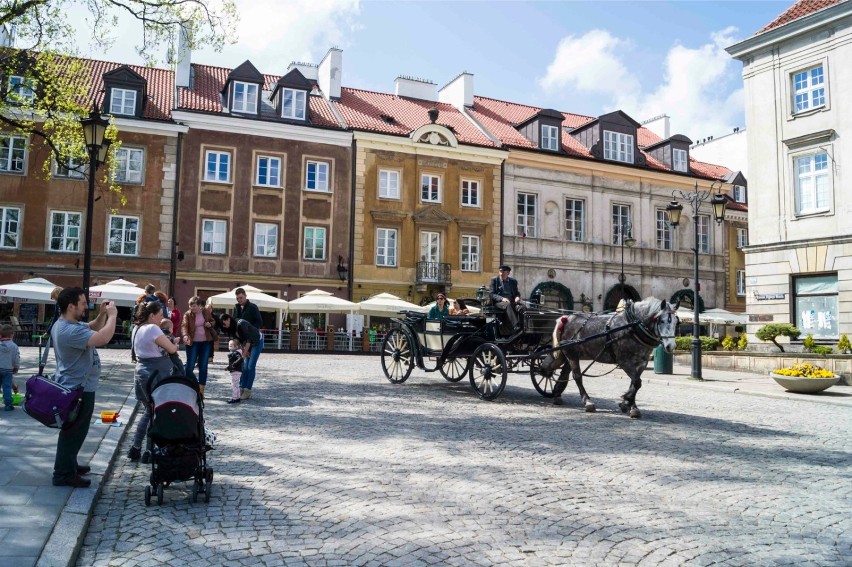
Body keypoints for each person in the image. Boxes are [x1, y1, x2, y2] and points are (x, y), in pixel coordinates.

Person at [51, 288, 117, 488]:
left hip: (78, 387)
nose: (85, 306)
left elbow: (92, 326)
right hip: (77, 390)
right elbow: (103, 338)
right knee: (74, 431)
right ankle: (62, 474)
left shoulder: (66, 324)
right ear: (71, 307)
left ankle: (68, 463)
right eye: (82, 303)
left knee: (75, 430)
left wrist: (102, 314)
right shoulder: (69, 331)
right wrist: (113, 316)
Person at [128, 301, 180, 464]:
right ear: (152, 315)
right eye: (160, 315)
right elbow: (171, 349)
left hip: (141, 373)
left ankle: (136, 448)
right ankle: (148, 451)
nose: (162, 318)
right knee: (156, 413)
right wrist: (175, 344)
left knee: (149, 412)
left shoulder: (136, 328)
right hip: (155, 374)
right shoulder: (152, 328)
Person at [218, 313, 261, 400]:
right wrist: (244, 350)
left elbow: (248, 339)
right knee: (244, 367)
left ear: (228, 319)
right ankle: (241, 388)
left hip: (256, 341)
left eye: (224, 324)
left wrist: (245, 353)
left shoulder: (241, 324)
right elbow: (239, 341)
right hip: (247, 344)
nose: (224, 327)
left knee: (250, 366)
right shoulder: (232, 329)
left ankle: (247, 390)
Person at [180, 296, 216, 396]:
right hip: (192, 343)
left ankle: (201, 391)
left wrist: (210, 324)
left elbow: (213, 321)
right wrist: (185, 335)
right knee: (190, 365)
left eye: (194, 306)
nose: (192, 308)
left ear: (200, 306)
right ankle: (189, 386)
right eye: (190, 306)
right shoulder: (187, 314)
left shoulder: (206, 312)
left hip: (205, 342)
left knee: (203, 366)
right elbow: (184, 325)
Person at [490, 264, 522, 331]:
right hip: (499, 302)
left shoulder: (513, 281)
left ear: (508, 273)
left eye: (503, 272)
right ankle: (515, 326)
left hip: (512, 301)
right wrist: (502, 298)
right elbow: (492, 294)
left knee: (522, 308)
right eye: (500, 271)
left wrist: (517, 297)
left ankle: (525, 327)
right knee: (508, 305)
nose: (501, 273)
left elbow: (517, 293)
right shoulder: (494, 280)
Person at [0, 324, 20, 411]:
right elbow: (16, 359)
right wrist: (16, 367)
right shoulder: (14, 346)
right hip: (8, 370)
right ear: (11, 335)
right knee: (6, 387)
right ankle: (8, 404)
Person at [226, 339, 243, 404]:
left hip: (235, 371)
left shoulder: (236, 353)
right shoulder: (235, 353)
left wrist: (233, 365)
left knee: (234, 385)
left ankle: (234, 398)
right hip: (235, 371)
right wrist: (228, 367)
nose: (229, 347)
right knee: (236, 384)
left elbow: (240, 359)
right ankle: (237, 397)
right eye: (229, 346)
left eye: (231, 346)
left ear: (236, 347)